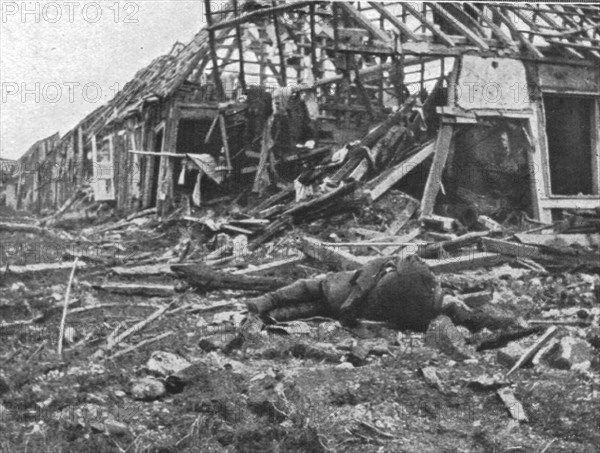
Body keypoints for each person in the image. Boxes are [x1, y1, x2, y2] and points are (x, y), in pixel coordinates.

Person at [246, 254, 445, 331]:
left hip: (343, 291)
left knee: (304, 291)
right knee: (308, 307)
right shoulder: (421, 318)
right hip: (347, 306)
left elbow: (399, 259)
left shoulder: (422, 275)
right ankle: (267, 315)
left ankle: (265, 307)